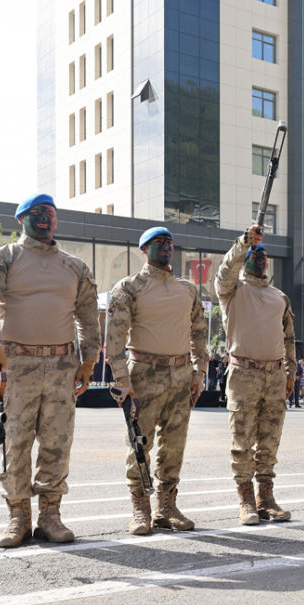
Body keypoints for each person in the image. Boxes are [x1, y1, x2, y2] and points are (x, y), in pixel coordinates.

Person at [0, 193, 100, 548]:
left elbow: (88, 315)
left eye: (51, 214)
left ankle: (50, 517)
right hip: (16, 364)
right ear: (21, 218)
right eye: (37, 212)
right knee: (16, 443)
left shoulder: (75, 266)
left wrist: (89, 359)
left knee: (57, 443)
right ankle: (18, 517)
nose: (45, 218)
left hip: (62, 366)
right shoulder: (3, 258)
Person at [106, 227, 207, 535]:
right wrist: (122, 378)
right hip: (143, 373)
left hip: (181, 373)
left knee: (174, 444)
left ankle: (167, 507)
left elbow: (199, 333)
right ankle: (140, 508)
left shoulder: (188, 289)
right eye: (158, 243)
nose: (165, 246)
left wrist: (199, 372)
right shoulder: (129, 286)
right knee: (139, 442)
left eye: (169, 243)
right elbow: (115, 337)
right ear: (144, 250)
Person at [216, 224, 297, 525]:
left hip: (275, 376)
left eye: (264, 254)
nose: (261, 258)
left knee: (269, 440)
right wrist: (243, 243)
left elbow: (289, 338)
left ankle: (266, 498)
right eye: (254, 254)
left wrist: (291, 371)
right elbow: (225, 271)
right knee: (242, 440)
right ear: (246, 259)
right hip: (244, 373)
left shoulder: (279, 297)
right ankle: (246, 500)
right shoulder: (233, 290)